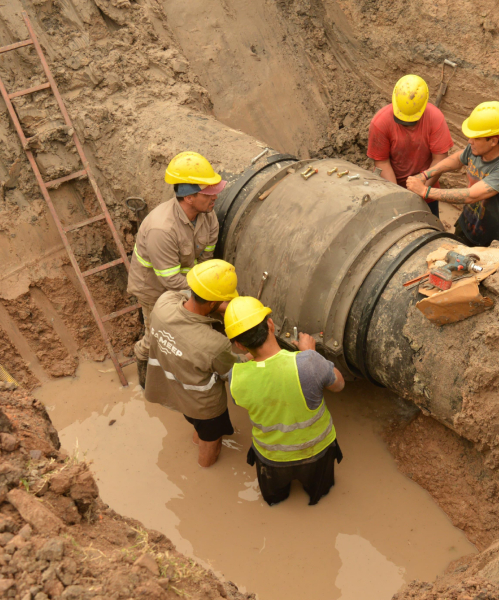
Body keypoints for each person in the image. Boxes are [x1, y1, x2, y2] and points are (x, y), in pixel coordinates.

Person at [223, 297, 345, 506]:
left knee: (274, 499)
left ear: (239, 345)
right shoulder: (308, 363)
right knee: (320, 493)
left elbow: (249, 393)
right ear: (270, 325)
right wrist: (310, 353)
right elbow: (339, 385)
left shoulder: (236, 377)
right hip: (316, 452)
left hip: (271, 458)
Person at [127, 151, 225, 388]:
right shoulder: (162, 229)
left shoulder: (208, 217)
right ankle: (143, 366)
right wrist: (207, 295)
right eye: (209, 193)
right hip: (154, 288)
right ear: (189, 197)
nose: (215, 197)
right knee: (157, 337)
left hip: (186, 281)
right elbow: (170, 281)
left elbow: (206, 260)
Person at [143, 260, 241, 468]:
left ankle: (196, 439)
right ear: (214, 304)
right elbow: (232, 371)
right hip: (206, 406)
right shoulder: (214, 344)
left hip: (178, 393)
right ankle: (205, 468)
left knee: (199, 429)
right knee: (211, 442)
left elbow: (188, 299)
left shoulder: (164, 304)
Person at [406, 101, 499, 247]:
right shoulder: (477, 149)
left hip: (495, 240)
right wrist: (426, 175)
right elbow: (458, 158)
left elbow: (471, 195)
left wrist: (425, 191)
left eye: (476, 138)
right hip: (467, 227)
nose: (469, 141)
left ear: (493, 141)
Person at [367, 74, 454, 218]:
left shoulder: (435, 118)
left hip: (427, 190)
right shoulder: (380, 122)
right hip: (391, 187)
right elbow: (382, 162)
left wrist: (422, 189)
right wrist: (398, 195)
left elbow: (439, 160)